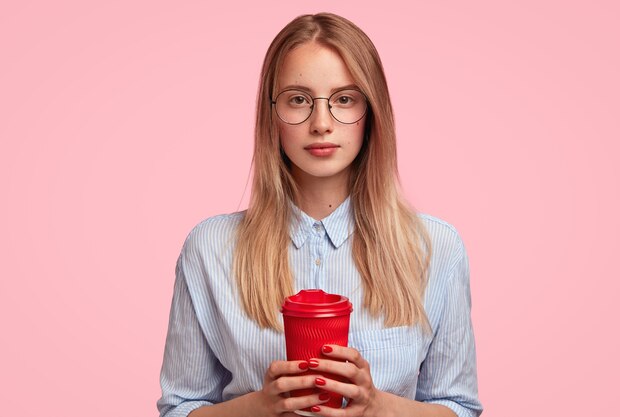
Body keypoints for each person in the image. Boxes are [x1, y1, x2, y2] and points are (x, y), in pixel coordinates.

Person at [157, 12, 482, 417]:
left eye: (344, 99)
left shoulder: (436, 248)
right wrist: (259, 407)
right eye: (298, 99)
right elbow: (179, 409)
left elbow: (458, 407)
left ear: (371, 112)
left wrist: (377, 406)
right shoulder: (209, 248)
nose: (322, 123)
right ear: (271, 114)